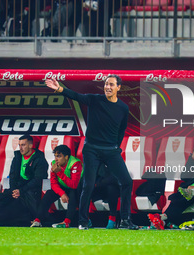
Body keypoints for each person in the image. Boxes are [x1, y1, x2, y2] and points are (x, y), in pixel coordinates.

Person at [45, 74, 138, 230]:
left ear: (118, 87)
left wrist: (116, 147)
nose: (108, 87)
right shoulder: (95, 100)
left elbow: (121, 130)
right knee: (88, 185)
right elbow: (76, 96)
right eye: (106, 84)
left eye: (111, 84)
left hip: (111, 150)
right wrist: (60, 89)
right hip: (92, 150)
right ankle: (82, 221)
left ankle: (125, 220)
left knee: (127, 182)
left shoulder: (123, 108)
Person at [0, 135, 48, 226]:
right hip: (16, 190)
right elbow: (12, 176)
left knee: (12, 211)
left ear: (30, 145)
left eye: (23, 145)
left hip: (30, 193)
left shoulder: (39, 159)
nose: (21, 148)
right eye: (19, 145)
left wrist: (21, 191)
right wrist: (14, 190)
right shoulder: (17, 157)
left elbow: (38, 180)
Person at [30, 145, 83, 228]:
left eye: (59, 156)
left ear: (66, 157)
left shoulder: (76, 163)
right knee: (49, 194)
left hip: (78, 188)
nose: (56, 159)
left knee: (73, 194)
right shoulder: (54, 164)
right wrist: (62, 193)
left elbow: (74, 185)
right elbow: (53, 183)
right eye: (55, 156)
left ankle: (67, 222)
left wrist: (59, 173)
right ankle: (38, 220)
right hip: (64, 186)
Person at [91, 164, 120, 229]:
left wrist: (98, 183)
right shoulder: (95, 160)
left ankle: (112, 219)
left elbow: (116, 179)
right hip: (99, 189)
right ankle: (84, 219)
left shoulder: (115, 160)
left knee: (112, 188)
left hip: (112, 188)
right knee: (84, 187)